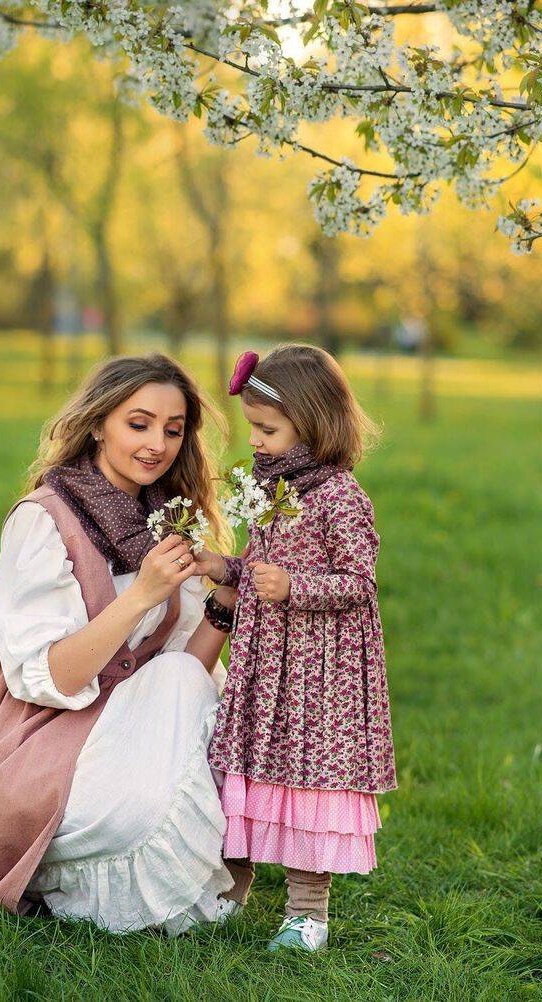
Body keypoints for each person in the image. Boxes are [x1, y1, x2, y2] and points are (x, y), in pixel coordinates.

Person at [0, 353, 250, 934]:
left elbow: (181, 675)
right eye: (138, 424)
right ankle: (57, 859)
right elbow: (51, 677)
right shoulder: (45, 518)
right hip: (39, 722)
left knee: (186, 687)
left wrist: (227, 601)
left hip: (127, 718)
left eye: (173, 430)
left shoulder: (170, 519)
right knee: (128, 816)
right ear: (98, 425)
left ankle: (130, 855)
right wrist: (142, 594)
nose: (157, 445)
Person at [204, 344, 397, 952]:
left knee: (308, 778)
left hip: (318, 671)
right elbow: (264, 566)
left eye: (267, 430)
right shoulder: (274, 487)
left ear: (312, 423)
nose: (255, 441)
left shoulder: (339, 495)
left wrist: (296, 588)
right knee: (250, 766)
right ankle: (228, 890)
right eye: (253, 428)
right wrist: (226, 567)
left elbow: (359, 582)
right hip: (267, 664)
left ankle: (307, 913)